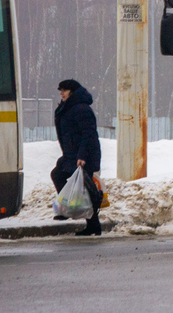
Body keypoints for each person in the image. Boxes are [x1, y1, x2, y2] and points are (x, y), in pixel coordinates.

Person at [52, 79, 103, 236]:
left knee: (85, 189)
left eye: (64, 90)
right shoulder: (67, 108)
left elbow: (88, 134)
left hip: (84, 155)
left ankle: (89, 221)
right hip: (72, 155)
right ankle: (69, 208)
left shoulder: (81, 109)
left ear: (72, 92)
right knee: (58, 174)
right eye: (60, 90)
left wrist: (82, 156)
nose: (61, 93)